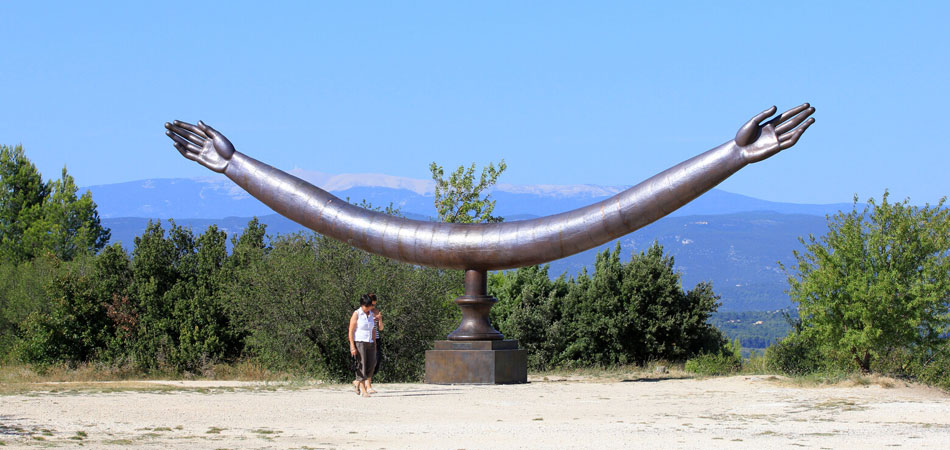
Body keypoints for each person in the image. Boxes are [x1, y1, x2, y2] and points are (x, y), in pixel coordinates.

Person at [349, 294, 383, 397]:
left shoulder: (371, 315)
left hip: (371, 342)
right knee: (362, 365)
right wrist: (352, 346)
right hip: (360, 342)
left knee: (372, 364)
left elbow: (373, 329)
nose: (370, 308)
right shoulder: (357, 314)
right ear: (363, 305)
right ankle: (363, 389)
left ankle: (358, 383)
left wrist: (374, 343)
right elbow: (351, 331)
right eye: (368, 306)